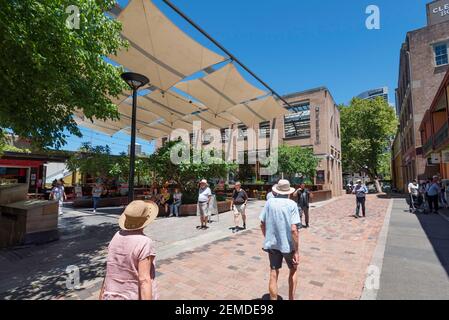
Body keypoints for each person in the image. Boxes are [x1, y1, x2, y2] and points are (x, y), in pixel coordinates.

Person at [99, 200, 159, 300]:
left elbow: (109, 271)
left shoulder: (116, 236)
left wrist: (101, 296)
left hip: (111, 295)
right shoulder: (144, 242)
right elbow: (144, 280)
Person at [259, 179, 300, 301]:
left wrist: (267, 237)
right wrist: (297, 251)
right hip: (288, 245)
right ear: (288, 191)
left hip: (272, 244)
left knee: (273, 272)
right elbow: (294, 230)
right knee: (293, 270)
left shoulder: (269, 203)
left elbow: (262, 223)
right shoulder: (292, 204)